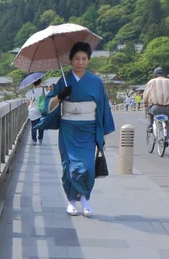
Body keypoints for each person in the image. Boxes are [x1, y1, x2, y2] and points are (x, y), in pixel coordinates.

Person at [40, 41, 115, 217]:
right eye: (76, 58)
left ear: (88, 60)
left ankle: (85, 199)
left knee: (88, 167)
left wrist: (102, 131)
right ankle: (71, 201)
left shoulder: (96, 82)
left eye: (84, 58)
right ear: (71, 60)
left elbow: (102, 106)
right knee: (69, 167)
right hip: (68, 129)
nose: (80, 62)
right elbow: (46, 106)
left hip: (88, 129)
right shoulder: (63, 81)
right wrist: (60, 96)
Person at [143, 67, 169, 141]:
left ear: (154, 75)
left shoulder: (151, 82)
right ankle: (166, 133)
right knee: (167, 119)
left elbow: (146, 95)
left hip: (156, 108)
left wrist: (145, 104)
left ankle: (150, 126)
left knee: (149, 113)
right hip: (168, 108)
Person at [25, 79, 45, 145]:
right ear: (40, 83)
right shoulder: (43, 90)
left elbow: (27, 102)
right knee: (41, 125)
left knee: (33, 126)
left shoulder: (30, 91)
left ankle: (34, 140)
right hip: (41, 110)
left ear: (33, 83)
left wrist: (29, 107)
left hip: (33, 111)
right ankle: (40, 138)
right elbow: (48, 98)